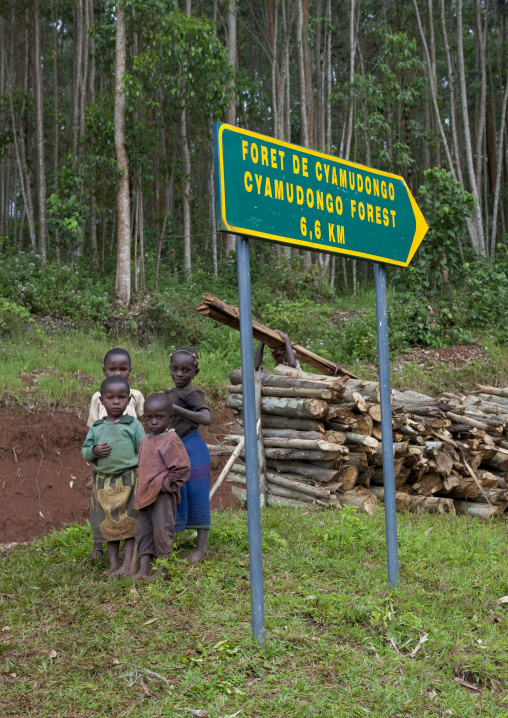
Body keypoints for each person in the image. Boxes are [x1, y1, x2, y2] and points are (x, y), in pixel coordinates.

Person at [82, 375, 145, 576]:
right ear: (102, 400)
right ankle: (113, 565)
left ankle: (128, 565)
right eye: (110, 397)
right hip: (103, 484)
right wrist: (94, 452)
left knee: (129, 524)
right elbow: (85, 452)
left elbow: (144, 450)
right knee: (108, 525)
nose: (116, 401)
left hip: (130, 481)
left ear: (129, 400)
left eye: (121, 397)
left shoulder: (133, 425)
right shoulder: (97, 427)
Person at [132, 394, 191, 582]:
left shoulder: (171, 439)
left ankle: (163, 570)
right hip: (145, 495)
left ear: (170, 417)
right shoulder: (146, 440)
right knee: (143, 530)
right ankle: (144, 569)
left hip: (162, 497)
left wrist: (164, 486)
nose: (154, 421)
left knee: (161, 531)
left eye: (159, 417)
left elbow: (182, 468)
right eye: (149, 417)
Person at [164, 347, 212, 563]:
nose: (180, 374)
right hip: (174, 449)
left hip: (193, 449)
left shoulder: (192, 393)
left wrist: (175, 408)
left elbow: (206, 418)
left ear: (195, 372)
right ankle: (168, 541)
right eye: (175, 369)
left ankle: (202, 549)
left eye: (186, 370)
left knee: (197, 494)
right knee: (174, 494)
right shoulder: (168, 393)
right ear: (170, 369)